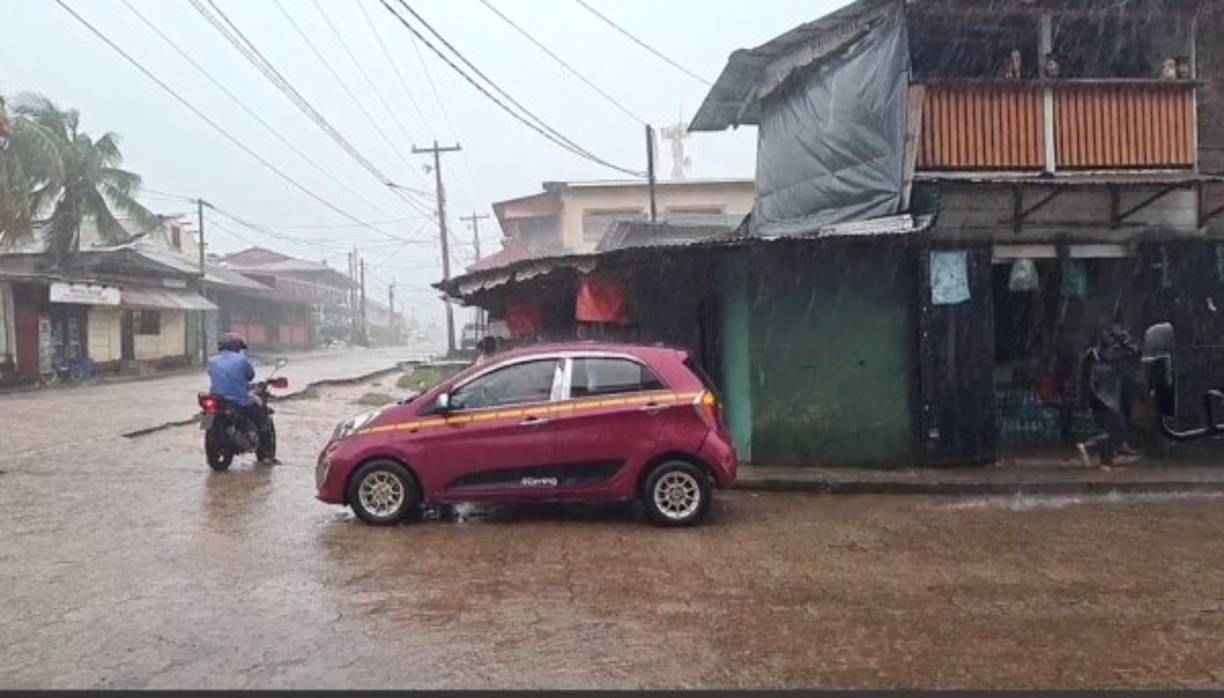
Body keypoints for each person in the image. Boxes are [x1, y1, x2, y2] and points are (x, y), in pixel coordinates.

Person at [1077, 315, 1141, 468]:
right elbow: (1132, 353)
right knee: (1118, 430)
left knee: (1114, 428)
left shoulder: (1096, 355)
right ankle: (1088, 446)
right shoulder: (1106, 355)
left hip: (1104, 397)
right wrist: (1127, 345)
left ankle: (1106, 461)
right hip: (1105, 398)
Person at [207, 332, 265, 435]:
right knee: (259, 407)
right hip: (238, 401)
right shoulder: (242, 359)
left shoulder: (212, 361)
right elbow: (250, 376)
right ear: (236, 346)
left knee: (208, 417)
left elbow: (212, 375)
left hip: (217, 399)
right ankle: (260, 437)